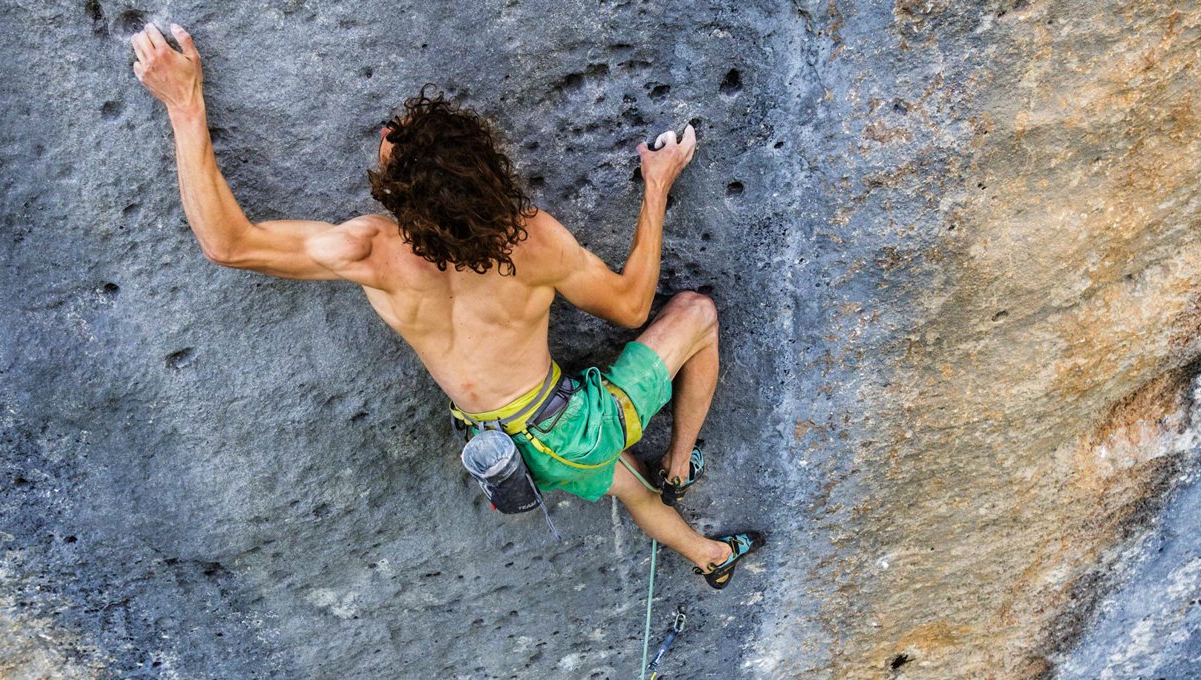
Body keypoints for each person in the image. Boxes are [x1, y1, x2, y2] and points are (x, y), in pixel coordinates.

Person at [131, 22, 763, 589]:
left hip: (505, 453)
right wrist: (655, 189)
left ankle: (708, 554)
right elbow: (629, 306)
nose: (386, 134)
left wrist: (185, 106)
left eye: (393, 144)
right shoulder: (530, 239)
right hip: (568, 431)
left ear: (397, 191)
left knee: (624, 482)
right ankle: (679, 464)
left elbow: (228, 243)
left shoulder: (372, 251)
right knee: (697, 316)